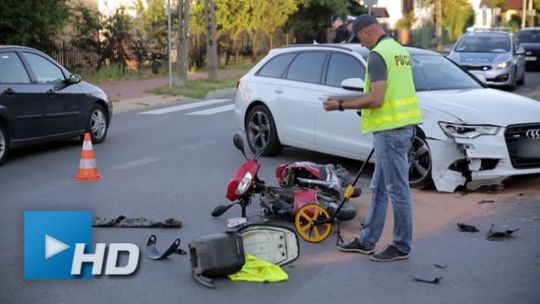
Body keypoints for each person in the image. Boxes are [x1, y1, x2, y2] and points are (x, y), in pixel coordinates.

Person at [323, 14, 423, 262]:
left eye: (359, 37)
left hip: (391, 131)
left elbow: (377, 98)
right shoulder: (398, 50)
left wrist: (341, 106)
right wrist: (350, 101)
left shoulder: (378, 55)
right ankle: (367, 241)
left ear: (367, 31)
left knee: (397, 191)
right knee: (379, 188)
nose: (360, 43)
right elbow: (390, 93)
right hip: (401, 127)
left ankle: (401, 245)